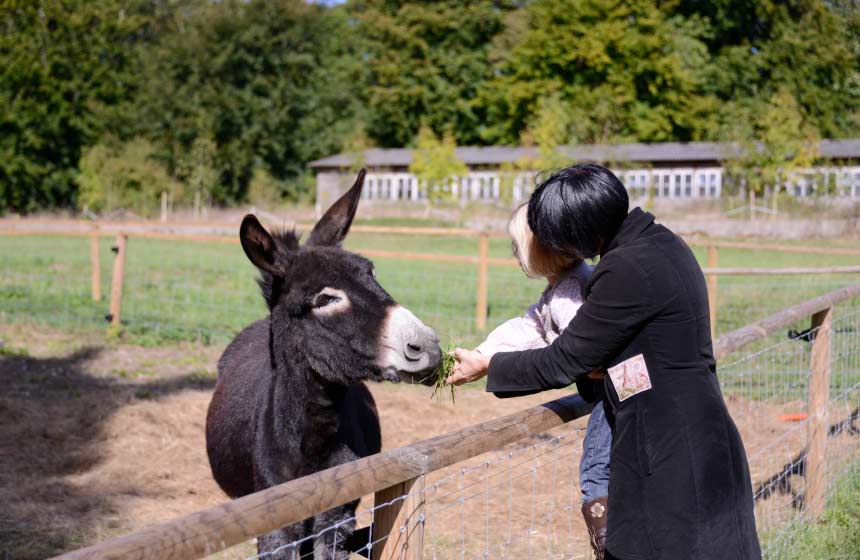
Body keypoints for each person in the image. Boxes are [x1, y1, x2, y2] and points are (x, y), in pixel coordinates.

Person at [447, 163, 761, 560]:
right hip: (692, 432)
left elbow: (564, 360)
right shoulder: (659, 243)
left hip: (672, 450)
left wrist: (489, 365)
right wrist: (604, 374)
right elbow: (642, 354)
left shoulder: (627, 269)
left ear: (578, 232)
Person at [463, 203, 611, 558]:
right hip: (605, 392)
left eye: (519, 246)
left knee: (596, 470)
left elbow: (581, 348)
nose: (515, 254)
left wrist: (592, 367)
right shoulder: (560, 286)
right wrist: (484, 354)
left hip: (611, 394)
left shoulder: (569, 293)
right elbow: (527, 327)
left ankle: (610, 546)